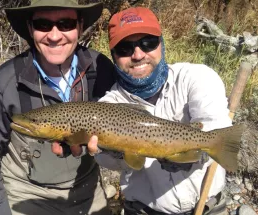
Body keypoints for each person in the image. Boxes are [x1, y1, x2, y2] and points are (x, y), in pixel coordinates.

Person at [0, 1, 116, 215]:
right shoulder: (4, 83)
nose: (54, 36)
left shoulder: (100, 68)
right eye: (43, 25)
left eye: (66, 24)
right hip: (27, 195)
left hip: (87, 191)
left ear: (80, 26)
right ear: (30, 29)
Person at [87, 7, 230, 215]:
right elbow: (107, 161)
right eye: (125, 48)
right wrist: (113, 151)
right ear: (114, 56)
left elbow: (216, 129)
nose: (138, 54)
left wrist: (187, 154)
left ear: (161, 44)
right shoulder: (107, 105)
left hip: (209, 208)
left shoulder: (197, 77)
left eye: (148, 43)